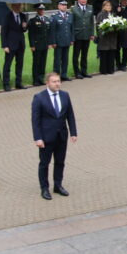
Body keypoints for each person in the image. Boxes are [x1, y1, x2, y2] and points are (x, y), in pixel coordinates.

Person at [32, 72, 77, 200]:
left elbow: (70, 115)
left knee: (60, 162)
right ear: (47, 83)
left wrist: (73, 132)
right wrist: (38, 138)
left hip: (61, 135)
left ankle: (58, 185)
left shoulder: (65, 95)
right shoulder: (39, 98)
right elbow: (35, 120)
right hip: (46, 137)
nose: (57, 84)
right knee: (44, 163)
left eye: (58, 81)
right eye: (54, 82)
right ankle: (44, 188)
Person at [1, 3, 28, 91]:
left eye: (19, 6)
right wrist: (4, 45)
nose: (18, 7)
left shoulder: (23, 16)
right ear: (12, 6)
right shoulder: (7, 16)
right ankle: (6, 84)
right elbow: (3, 31)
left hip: (20, 44)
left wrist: (24, 27)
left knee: (20, 64)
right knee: (8, 64)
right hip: (10, 44)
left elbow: (24, 29)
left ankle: (18, 82)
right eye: (16, 6)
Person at [28, 3, 53, 86]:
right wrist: (32, 45)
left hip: (45, 44)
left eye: (43, 9)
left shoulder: (47, 19)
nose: (42, 11)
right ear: (37, 10)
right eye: (40, 9)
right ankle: (35, 80)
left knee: (43, 63)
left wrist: (49, 43)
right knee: (36, 63)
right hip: (37, 44)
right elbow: (31, 34)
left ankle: (41, 78)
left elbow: (49, 33)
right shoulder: (33, 21)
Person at [71, 0, 94, 79]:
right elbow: (72, 24)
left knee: (85, 54)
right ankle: (77, 72)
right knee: (76, 55)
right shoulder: (73, 9)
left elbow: (92, 22)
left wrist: (92, 34)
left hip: (87, 35)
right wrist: (72, 37)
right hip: (77, 35)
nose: (84, 0)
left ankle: (84, 71)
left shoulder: (90, 7)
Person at [51, 0, 75, 80]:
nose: (64, 6)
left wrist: (72, 39)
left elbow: (72, 28)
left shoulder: (70, 15)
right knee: (57, 60)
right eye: (62, 5)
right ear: (58, 6)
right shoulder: (55, 16)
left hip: (67, 40)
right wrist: (53, 42)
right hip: (58, 41)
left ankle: (64, 75)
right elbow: (52, 31)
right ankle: (57, 76)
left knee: (65, 59)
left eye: (65, 5)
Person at [95, 0, 118, 75]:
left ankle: (111, 69)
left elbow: (116, 24)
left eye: (109, 6)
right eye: (107, 5)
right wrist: (106, 28)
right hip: (104, 38)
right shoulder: (100, 15)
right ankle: (104, 70)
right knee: (104, 54)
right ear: (103, 6)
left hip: (112, 38)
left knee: (111, 54)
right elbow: (98, 26)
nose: (108, 7)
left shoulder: (113, 14)